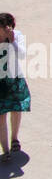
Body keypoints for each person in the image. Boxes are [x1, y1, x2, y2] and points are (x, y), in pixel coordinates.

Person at [0, 13, 29, 162]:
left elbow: (23, 55)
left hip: (14, 78)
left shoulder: (16, 36)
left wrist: (12, 42)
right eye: (4, 27)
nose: (7, 30)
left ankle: (14, 139)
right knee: (1, 116)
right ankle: (5, 151)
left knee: (16, 110)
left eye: (9, 27)